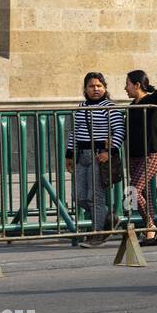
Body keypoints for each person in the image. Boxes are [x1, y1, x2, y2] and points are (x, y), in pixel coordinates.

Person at [65, 72, 126, 249]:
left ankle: (97, 233)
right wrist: (69, 155)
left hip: (99, 155)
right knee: (79, 196)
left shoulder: (110, 107)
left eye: (99, 86)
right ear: (85, 89)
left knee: (95, 197)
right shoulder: (81, 106)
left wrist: (109, 151)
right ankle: (109, 218)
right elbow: (74, 132)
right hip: (81, 155)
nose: (96, 89)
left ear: (105, 88)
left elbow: (119, 131)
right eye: (92, 86)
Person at [124, 70, 157, 246]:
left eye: (128, 84)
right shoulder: (131, 106)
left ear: (137, 85)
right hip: (133, 157)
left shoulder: (150, 101)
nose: (125, 88)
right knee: (143, 194)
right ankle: (150, 233)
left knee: (133, 190)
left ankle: (151, 226)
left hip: (150, 155)